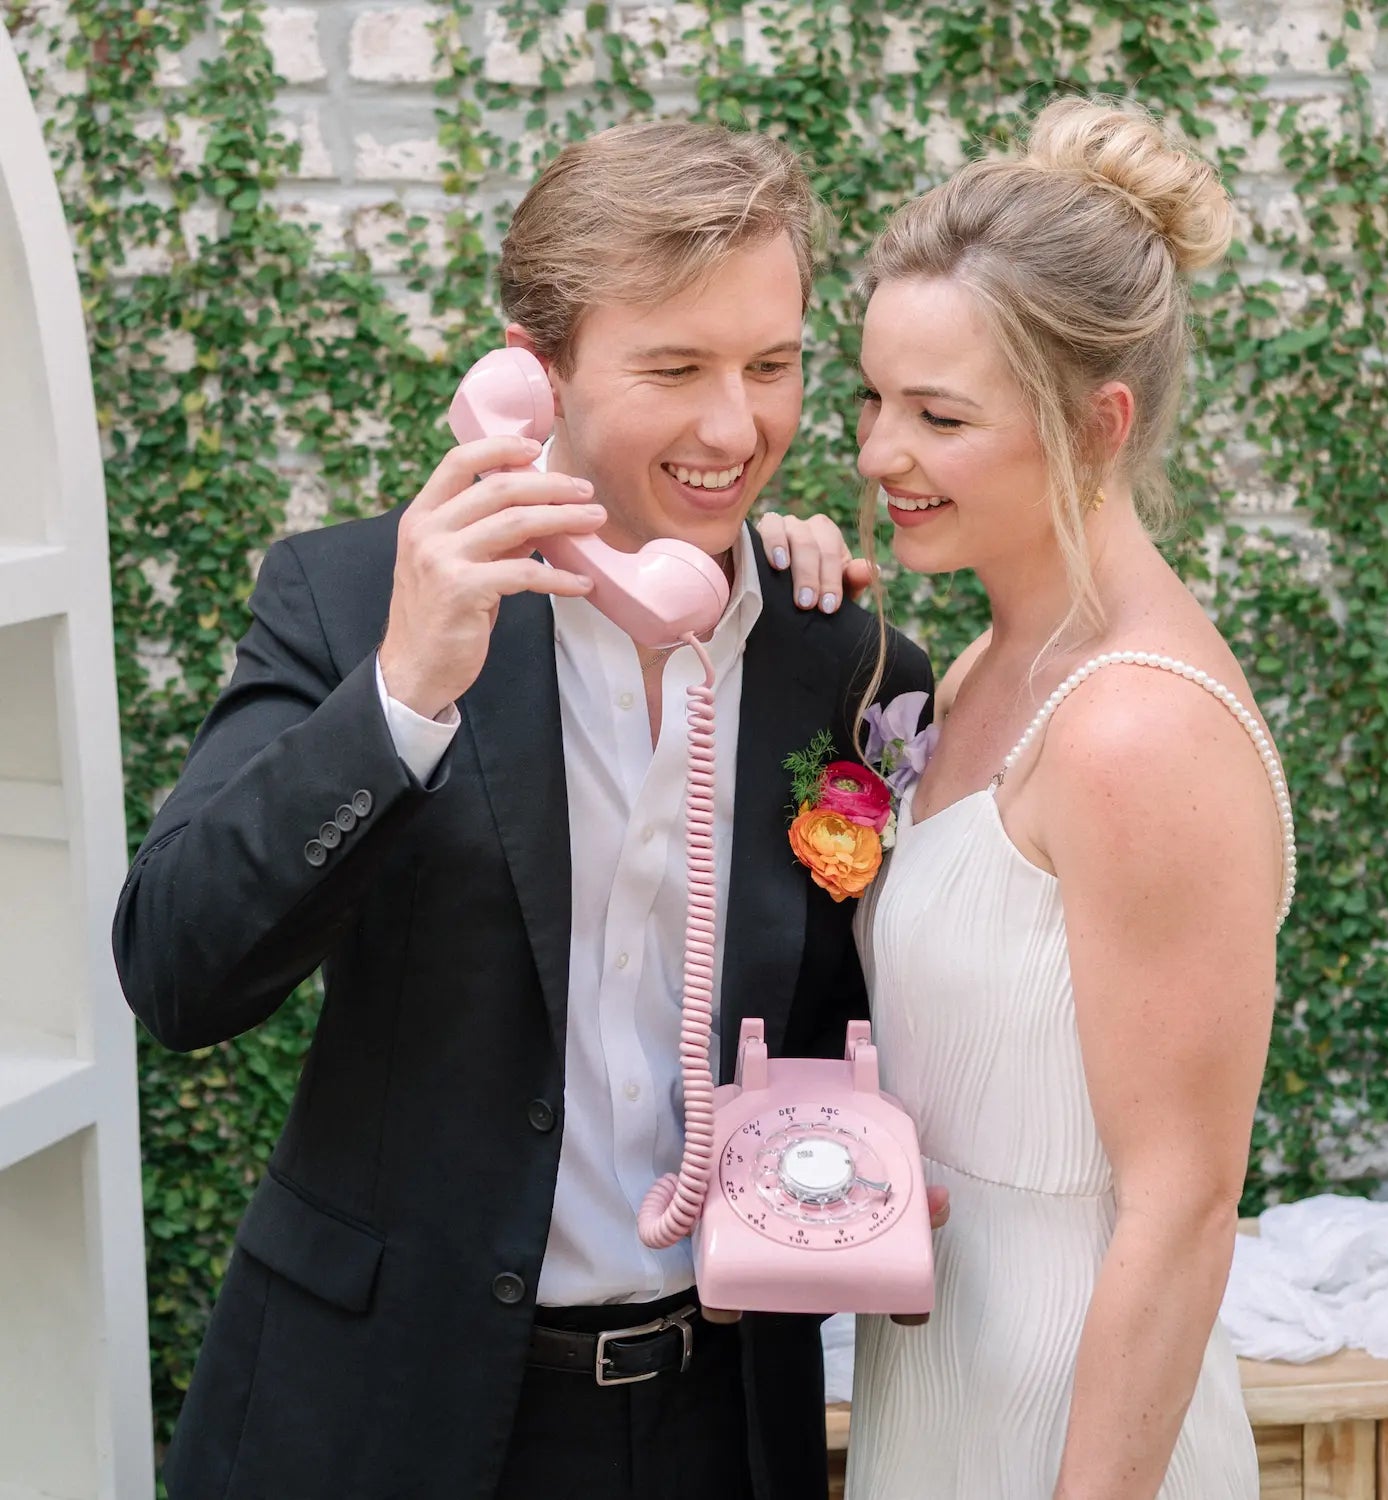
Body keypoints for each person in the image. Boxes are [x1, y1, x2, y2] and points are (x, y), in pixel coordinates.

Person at [112, 120, 932, 1500]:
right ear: (530, 370)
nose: (737, 427)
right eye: (674, 368)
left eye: (774, 366)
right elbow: (177, 971)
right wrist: (403, 690)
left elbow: (868, 1024)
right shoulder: (348, 597)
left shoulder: (845, 662)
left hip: (719, 1426)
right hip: (381, 1419)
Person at [838, 97, 1289, 1498]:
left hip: (1068, 1409)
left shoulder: (1137, 731)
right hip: (939, 1365)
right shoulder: (984, 664)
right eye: (871, 396)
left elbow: (1181, 1212)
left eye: (939, 415)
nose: (873, 454)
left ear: (1097, 423)